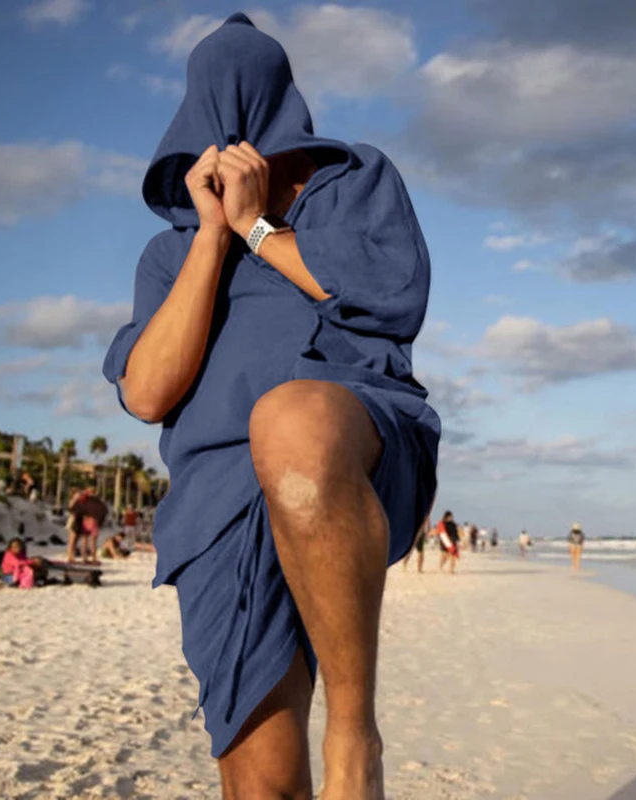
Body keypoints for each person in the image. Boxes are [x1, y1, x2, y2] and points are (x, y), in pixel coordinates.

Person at [102, 13, 440, 799]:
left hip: (351, 447)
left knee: (288, 422)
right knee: (261, 786)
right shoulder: (170, 255)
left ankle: (355, 740)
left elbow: (393, 294)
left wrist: (259, 226)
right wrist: (214, 237)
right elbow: (149, 391)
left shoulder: (350, 185)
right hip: (218, 504)